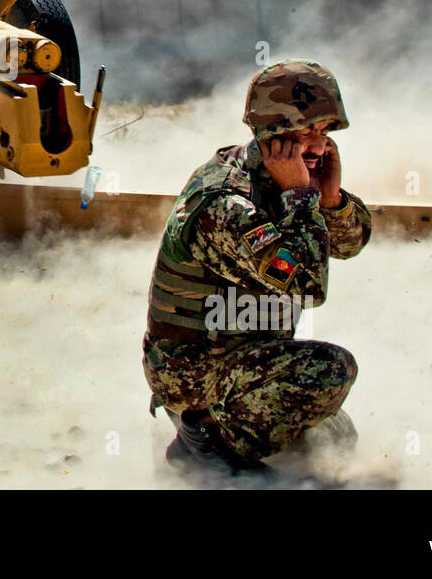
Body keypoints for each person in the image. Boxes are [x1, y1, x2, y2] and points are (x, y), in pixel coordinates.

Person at [142, 60, 371, 473]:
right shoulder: (226, 204)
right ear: (271, 133)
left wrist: (331, 199)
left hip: (247, 358)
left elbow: (349, 244)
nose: (318, 147)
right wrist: (302, 197)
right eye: (305, 134)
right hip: (196, 373)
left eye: (324, 133)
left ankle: (225, 429)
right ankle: (204, 440)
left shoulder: (278, 177)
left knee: (336, 436)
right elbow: (308, 288)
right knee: (331, 371)